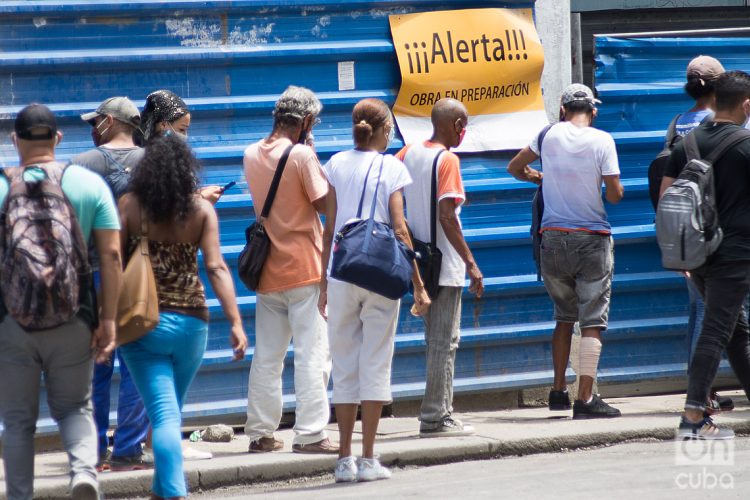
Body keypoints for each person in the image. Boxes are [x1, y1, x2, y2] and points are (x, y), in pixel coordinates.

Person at [0, 104, 122, 499]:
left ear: (14, 140)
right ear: (58, 139)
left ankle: (19, 496)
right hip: (74, 317)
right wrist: (109, 322)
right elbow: (112, 257)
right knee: (74, 408)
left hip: (11, 322)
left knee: (17, 422)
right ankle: (84, 473)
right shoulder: (89, 185)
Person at [118, 134, 248, 498]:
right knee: (170, 413)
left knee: (163, 416)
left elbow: (112, 262)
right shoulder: (201, 210)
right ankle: (163, 491)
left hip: (144, 326)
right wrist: (236, 322)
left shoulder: (129, 206)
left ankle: (174, 492)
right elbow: (218, 268)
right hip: (192, 325)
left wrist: (106, 318)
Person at [319, 98, 431, 482]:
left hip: (342, 273)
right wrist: (418, 285)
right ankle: (368, 459)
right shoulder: (392, 166)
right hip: (381, 275)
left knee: (344, 364)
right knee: (376, 363)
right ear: (384, 130)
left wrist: (322, 282)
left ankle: (344, 460)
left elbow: (329, 226)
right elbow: (400, 229)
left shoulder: (334, 163)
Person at [507, 84, 624, 419]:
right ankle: (585, 399)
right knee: (591, 322)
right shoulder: (602, 140)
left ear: (562, 110)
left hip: (553, 239)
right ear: (593, 111)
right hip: (591, 238)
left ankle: (558, 391)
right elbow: (614, 195)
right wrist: (611, 187)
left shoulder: (547, 135)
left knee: (563, 317)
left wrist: (536, 177)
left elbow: (514, 167)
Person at [242, 86, 337, 454]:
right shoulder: (300, 155)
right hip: (305, 270)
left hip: (267, 272)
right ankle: (312, 433)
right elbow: (325, 204)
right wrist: (312, 156)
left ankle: (261, 433)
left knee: (267, 356)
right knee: (313, 355)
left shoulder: (251, 154)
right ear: (307, 121)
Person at [660, 70, 750, 439]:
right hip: (735, 252)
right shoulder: (746, 144)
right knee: (717, 329)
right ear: (746, 105)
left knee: (736, 332)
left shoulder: (687, 144)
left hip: (697, 254)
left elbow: (666, 197)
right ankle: (693, 415)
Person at [72, 96, 153, 472]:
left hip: (92, 274)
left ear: (110, 122)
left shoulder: (80, 166)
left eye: (96, 120)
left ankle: (92, 449)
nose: (92, 128)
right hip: (139, 276)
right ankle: (128, 450)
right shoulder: (155, 163)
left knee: (96, 364)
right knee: (138, 363)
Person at [396, 98, 484, 437]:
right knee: (443, 341)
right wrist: (471, 263)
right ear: (458, 126)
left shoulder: (407, 153)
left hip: (417, 262)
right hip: (443, 265)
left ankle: (438, 412)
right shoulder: (447, 160)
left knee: (435, 340)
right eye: (464, 127)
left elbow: (391, 202)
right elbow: (447, 216)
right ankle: (436, 417)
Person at [667, 56, 733, 413]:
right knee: (717, 311)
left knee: (699, 310)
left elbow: (665, 180)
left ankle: (700, 389)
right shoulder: (723, 123)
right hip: (720, 230)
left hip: (685, 231)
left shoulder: (677, 124)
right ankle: (700, 393)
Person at [140, 89, 224, 204]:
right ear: (163, 124)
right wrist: (201, 199)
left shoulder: (172, 156)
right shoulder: (148, 161)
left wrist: (197, 194)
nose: (185, 136)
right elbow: (164, 207)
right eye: (182, 129)